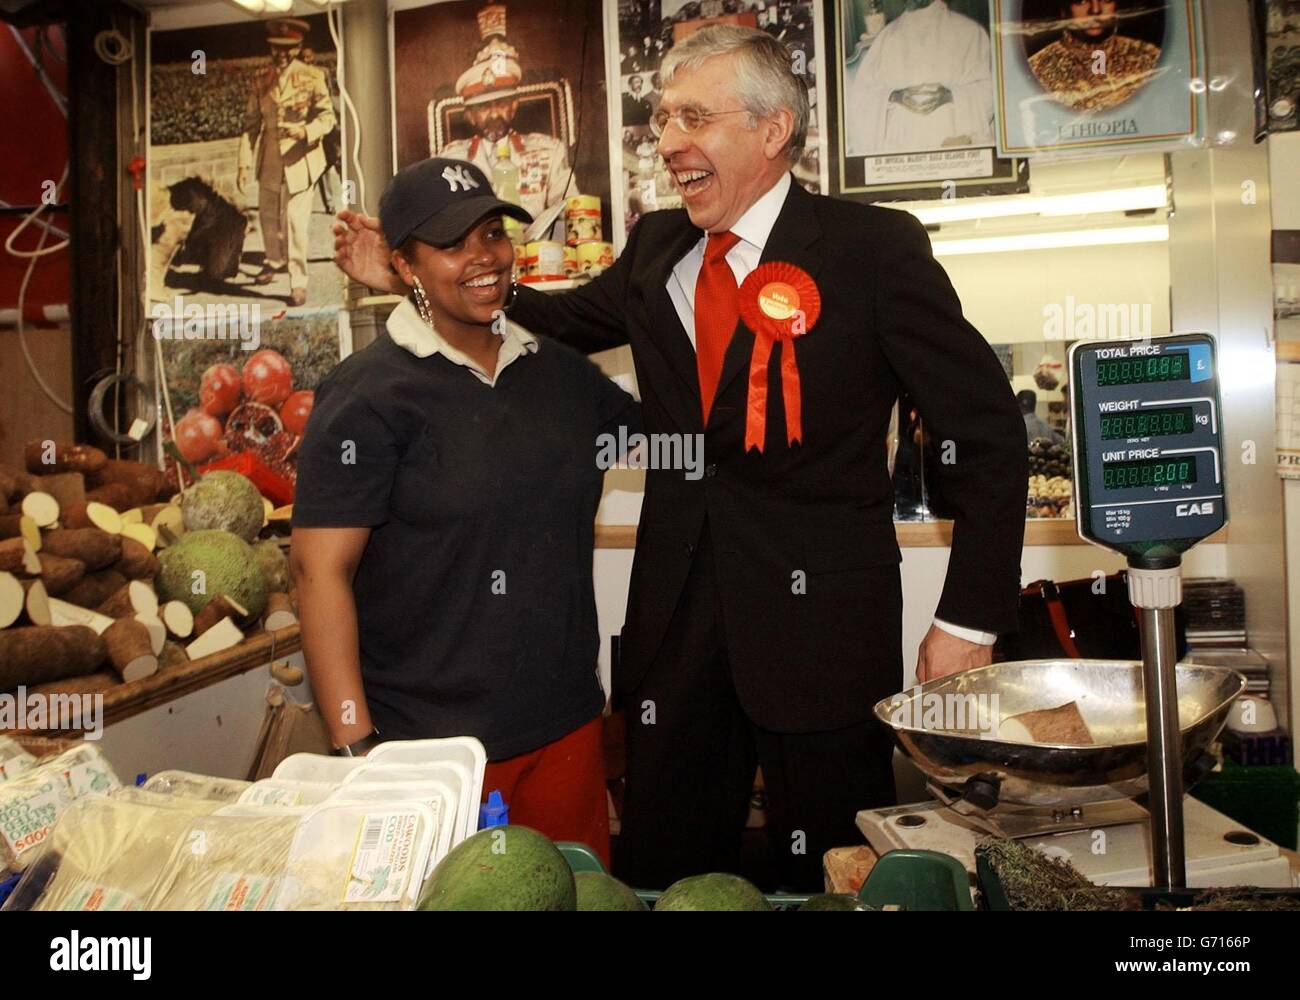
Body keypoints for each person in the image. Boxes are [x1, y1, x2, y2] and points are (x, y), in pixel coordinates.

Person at [334, 26, 1026, 892]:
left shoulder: (873, 249)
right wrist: (406, 279)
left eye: (693, 117)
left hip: (821, 640)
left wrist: (966, 624)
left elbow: (989, 436)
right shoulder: (657, 247)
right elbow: (544, 325)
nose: (666, 143)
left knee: (839, 876)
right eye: (663, 120)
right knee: (667, 876)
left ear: (772, 130)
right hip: (674, 640)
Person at [293, 158, 639, 867]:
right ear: (403, 265)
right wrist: (356, 746)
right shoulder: (366, 396)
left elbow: (672, 447)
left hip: (567, 728)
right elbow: (317, 573)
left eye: (491, 233)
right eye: (452, 244)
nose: (482, 257)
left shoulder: (562, 374)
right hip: (430, 754)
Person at [439, 4, 577, 221]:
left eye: (501, 103)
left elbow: (570, 213)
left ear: (514, 106)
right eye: (484, 107)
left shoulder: (549, 151)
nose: (494, 113)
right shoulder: (448, 159)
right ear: (469, 115)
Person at [237, 17, 335, 307]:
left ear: (298, 47)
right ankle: (274, 260)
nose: (279, 55)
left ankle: (298, 281)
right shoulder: (260, 80)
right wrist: (242, 163)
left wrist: (305, 131)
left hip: (301, 161)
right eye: (274, 48)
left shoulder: (313, 76)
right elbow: (250, 125)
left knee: (293, 222)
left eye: (286, 49)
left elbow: (327, 118)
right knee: (268, 217)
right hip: (269, 160)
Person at [846, 0, 994, 156]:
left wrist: (951, 95)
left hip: (953, 142)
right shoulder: (886, 37)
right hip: (899, 146)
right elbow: (861, 99)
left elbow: (989, 92)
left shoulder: (970, 32)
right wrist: (894, 96)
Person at [1027, 0, 1162, 112]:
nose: (1095, 10)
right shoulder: (1038, 67)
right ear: (1064, 10)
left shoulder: (1149, 57)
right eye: (1082, 1)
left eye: (1105, 0)